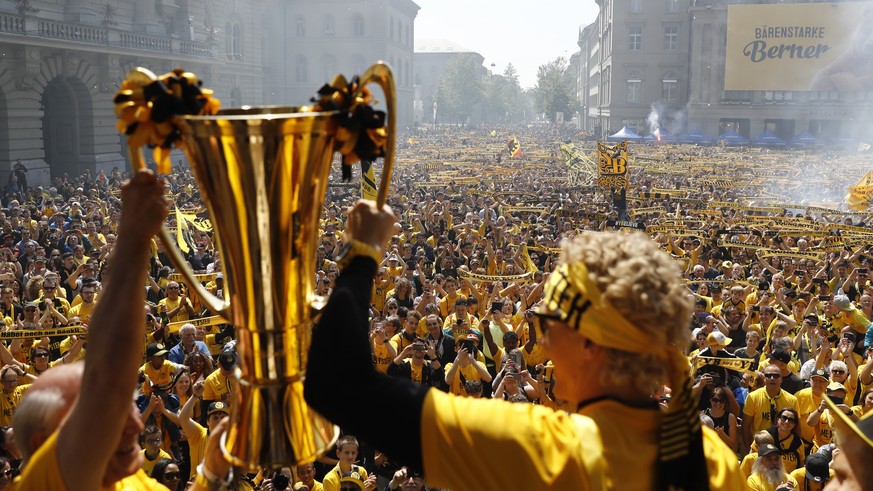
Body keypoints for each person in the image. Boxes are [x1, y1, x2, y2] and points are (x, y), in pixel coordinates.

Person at [304, 201, 742, 490]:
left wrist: (361, 254)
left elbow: (337, 384)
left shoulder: (548, 452)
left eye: (548, 321)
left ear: (591, 343)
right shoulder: (713, 460)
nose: (543, 341)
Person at [10, 170, 233, 491]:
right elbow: (107, 376)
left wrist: (210, 474)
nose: (134, 425)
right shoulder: (37, 485)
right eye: (105, 412)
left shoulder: (133, 479)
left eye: (127, 405)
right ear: (47, 445)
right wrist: (132, 241)